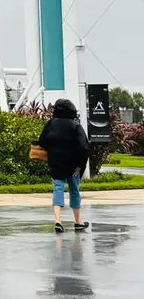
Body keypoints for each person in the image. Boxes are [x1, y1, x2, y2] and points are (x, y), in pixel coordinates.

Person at [38, 99, 92, 233]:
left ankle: (58, 221)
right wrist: (80, 166)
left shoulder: (51, 124)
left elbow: (42, 142)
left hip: (56, 163)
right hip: (73, 165)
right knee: (74, 191)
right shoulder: (75, 126)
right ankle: (78, 222)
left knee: (58, 189)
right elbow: (84, 147)